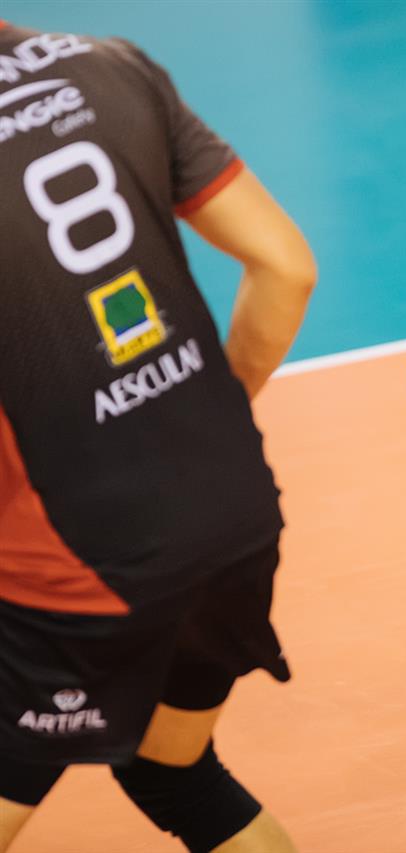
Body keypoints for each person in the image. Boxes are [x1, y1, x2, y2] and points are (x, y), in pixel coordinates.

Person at [0, 21, 315, 853]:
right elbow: (286, 268)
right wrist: (211, 415)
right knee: (174, 771)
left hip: (73, 568)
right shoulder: (107, 63)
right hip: (232, 510)